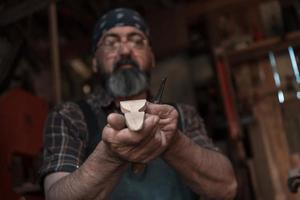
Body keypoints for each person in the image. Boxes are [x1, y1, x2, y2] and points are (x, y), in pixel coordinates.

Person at [40, 8, 237, 200]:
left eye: (137, 41)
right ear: (94, 62)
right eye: (111, 43)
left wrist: (174, 143)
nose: (125, 50)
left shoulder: (183, 115)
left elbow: (227, 187)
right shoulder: (70, 116)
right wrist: (110, 156)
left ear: (151, 58)